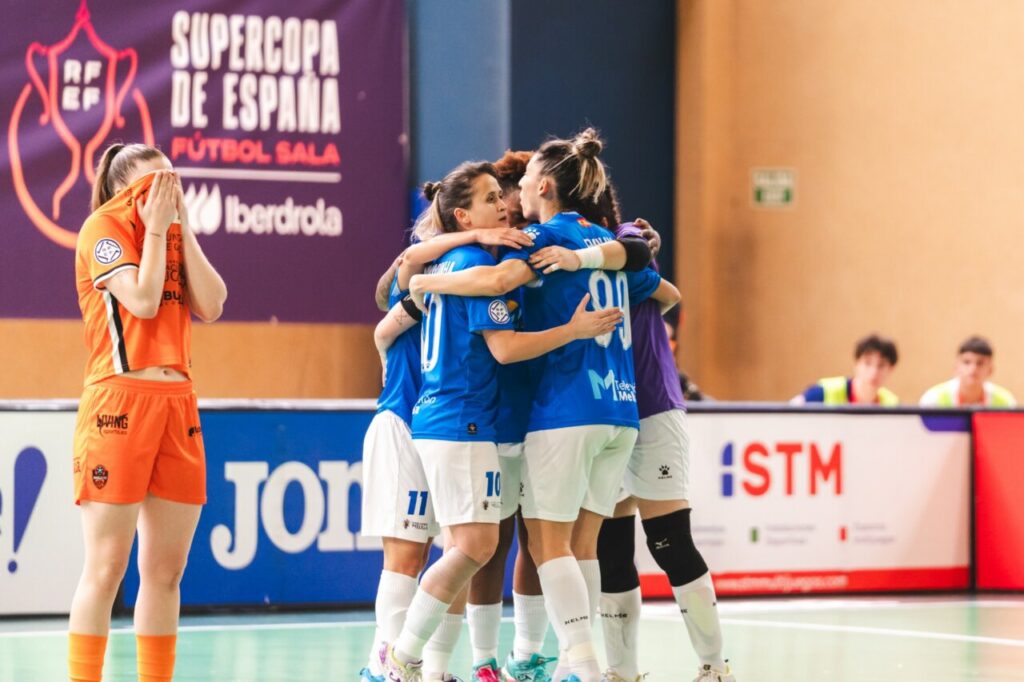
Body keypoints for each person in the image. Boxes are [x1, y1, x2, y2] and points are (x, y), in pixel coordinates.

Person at [407, 129, 680, 682]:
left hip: (566, 407)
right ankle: (584, 663)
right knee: (583, 545)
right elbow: (667, 292)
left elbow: (501, 280)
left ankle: (578, 663)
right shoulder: (606, 239)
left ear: (546, 187)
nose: (515, 197)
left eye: (525, 183)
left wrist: (428, 283)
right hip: (620, 410)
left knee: (545, 541)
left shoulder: (543, 238)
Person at [383, 160, 625, 682]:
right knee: (476, 547)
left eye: (505, 194)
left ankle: (440, 664)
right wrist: (576, 328)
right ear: (463, 215)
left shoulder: (461, 258)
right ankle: (404, 660)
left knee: (477, 547)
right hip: (468, 418)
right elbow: (503, 344)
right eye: (493, 196)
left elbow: (402, 277)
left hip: (466, 418)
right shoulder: (484, 261)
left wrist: (426, 272)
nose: (505, 203)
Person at [528, 183, 733, 681]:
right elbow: (666, 293)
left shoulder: (620, 238)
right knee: (612, 549)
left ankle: (714, 665)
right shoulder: (559, 249)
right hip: (607, 406)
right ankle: (622, 670)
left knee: (669, 540)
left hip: (654, 405)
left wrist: (615, 258)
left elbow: (662, 285)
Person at [361, 167, 533, 682]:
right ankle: (385, 664)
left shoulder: (454, 275)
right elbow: (385, 310)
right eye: (487, 205)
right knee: (408, 553)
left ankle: (430, 669)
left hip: (434, 424)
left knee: (453, 551)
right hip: (402, 420)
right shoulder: (431, 274)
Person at [69, 143, 227, 682]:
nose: (164, 194)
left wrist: (181, 225)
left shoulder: (173, 230)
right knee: (107, 567)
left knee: (166, 571)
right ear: (121, 192)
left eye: (171, 183)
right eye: (150, 187)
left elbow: (212, 303)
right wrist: (158, 229)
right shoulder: (102, 228)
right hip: (118, 402)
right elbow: (141, 300)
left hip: (177, 403)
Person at [792, 334, 899, 406]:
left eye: (881, 365)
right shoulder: (823, 391)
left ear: (891, 369)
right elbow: (789, 412)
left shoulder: (892, 404)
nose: (874, 372)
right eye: (867, 363)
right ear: (857, 364)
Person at [920, 336, 1017, 407]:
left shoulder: (1006, 402)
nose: (973, 369)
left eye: (980, 363)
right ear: (956, 367)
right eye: (966, 362)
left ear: (991, 370)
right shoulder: (933, 400)